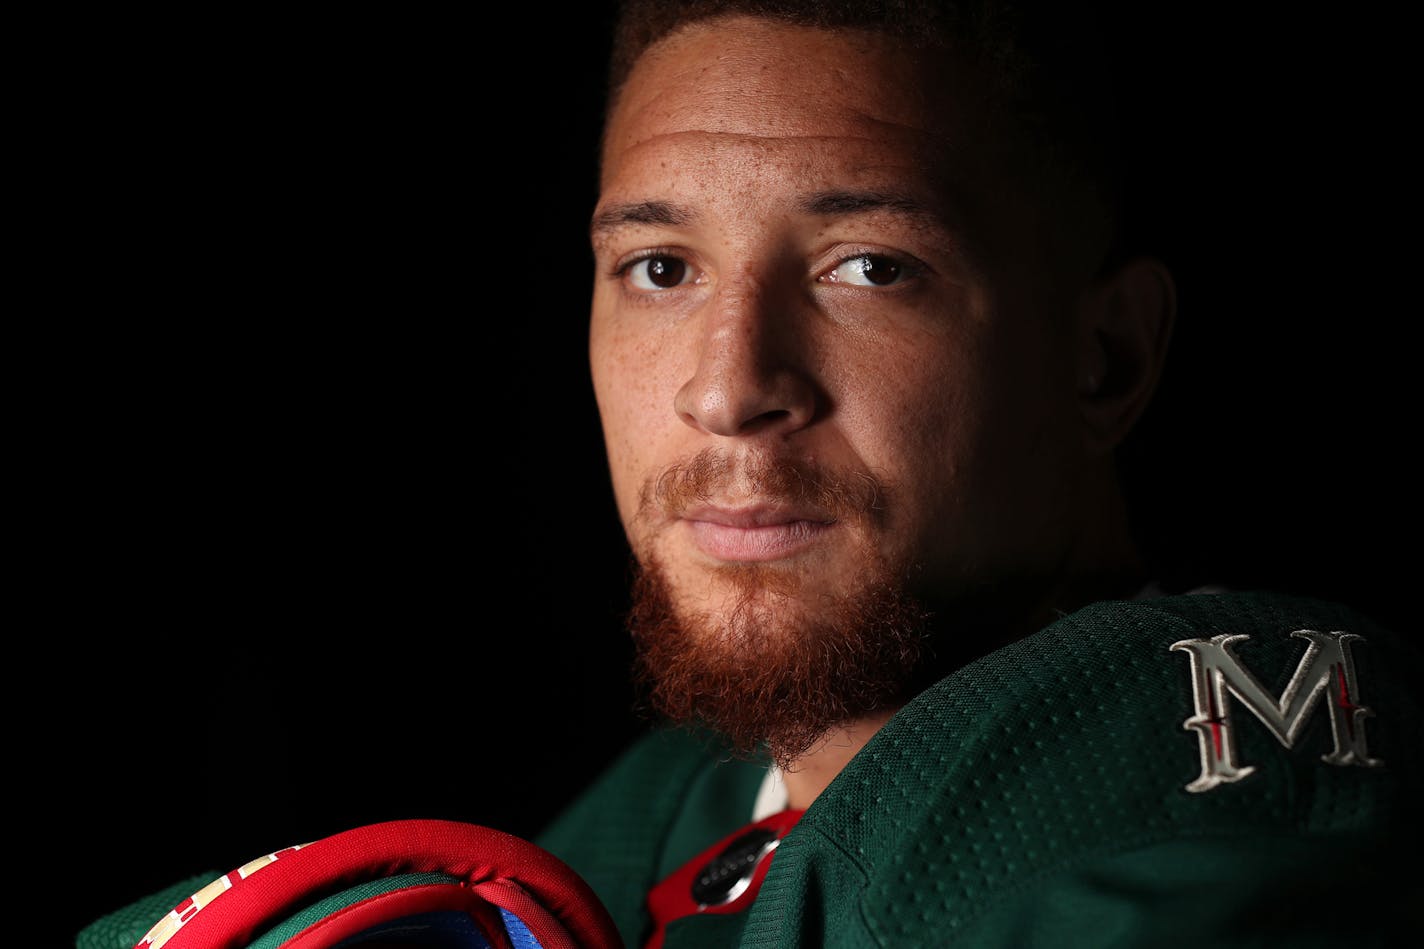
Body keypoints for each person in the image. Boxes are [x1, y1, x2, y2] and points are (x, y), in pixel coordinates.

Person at [79, 1, 1421, 947]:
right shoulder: (664, 816)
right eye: (660, 269)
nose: (729, 386)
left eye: (869, 269)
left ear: (1105, 360)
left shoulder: (1193, 833)